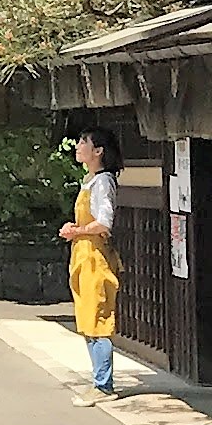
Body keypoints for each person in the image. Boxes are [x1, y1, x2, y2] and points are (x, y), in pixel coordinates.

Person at [60, 129, 120, 391]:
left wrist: (79, 231)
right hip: (84, 253)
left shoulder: (103, 181)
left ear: (98, 151)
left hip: (95, 256)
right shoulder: (89, 180)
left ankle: (103, 385)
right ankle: (99, 380)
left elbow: (104, 222)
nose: (78, 145)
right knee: (87, 317)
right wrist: (76, 228)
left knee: (98, 319)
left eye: (84, 142)